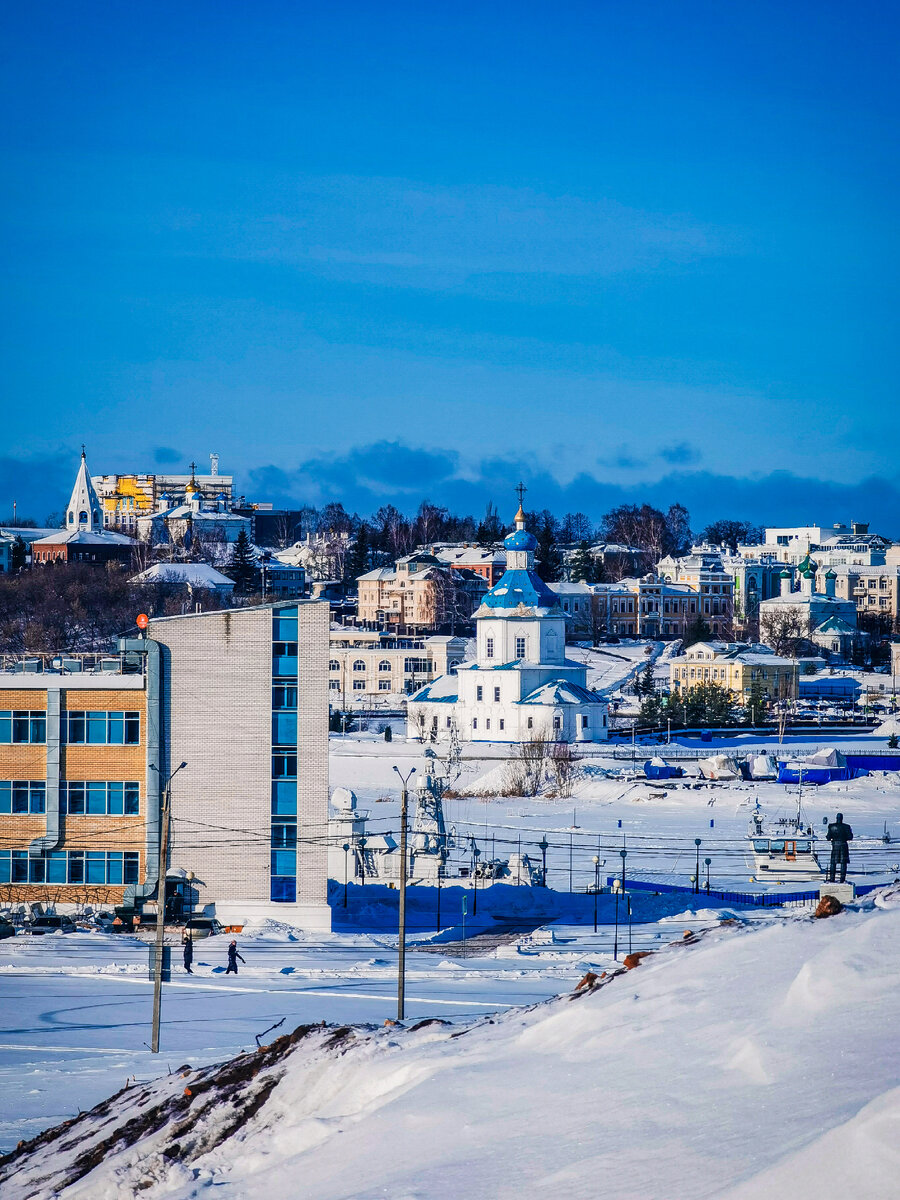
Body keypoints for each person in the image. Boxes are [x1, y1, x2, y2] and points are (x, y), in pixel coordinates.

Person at [826, 812, 853, 883]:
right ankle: (842, 879)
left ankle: (832, 878)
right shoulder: (846, 826)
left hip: (835, 846)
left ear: (836, 818)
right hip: (843, 845)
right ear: (842, 818)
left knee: (833, 863)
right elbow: (850, 837)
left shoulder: (831, 826)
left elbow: (828, 837)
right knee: (843, 863)